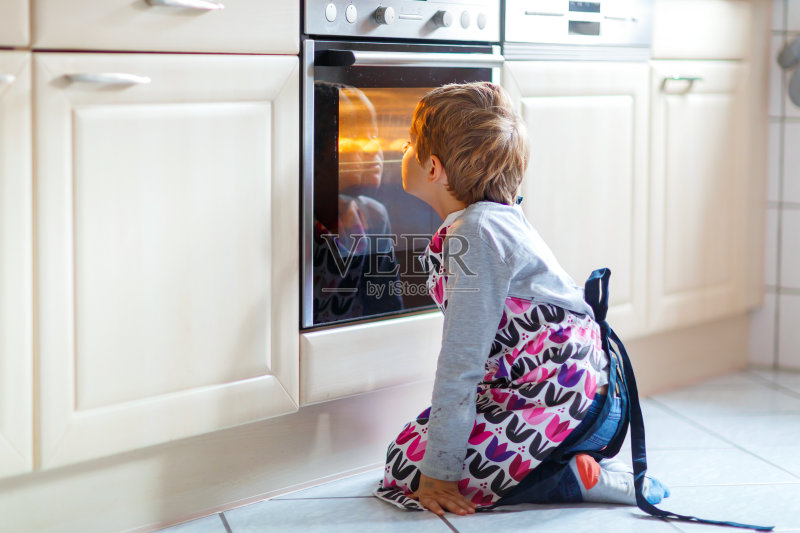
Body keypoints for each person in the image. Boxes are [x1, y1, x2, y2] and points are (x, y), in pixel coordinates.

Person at [373, 82, 670, 515]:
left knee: (407, 466)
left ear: (433, 167)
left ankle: (566, 480)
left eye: (407, 145)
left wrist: (438, 476)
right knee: (412, 443)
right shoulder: (496, 219)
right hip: (578, 395)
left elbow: (461, 363)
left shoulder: (474, 235)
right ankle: (562, 463)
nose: (402, 151)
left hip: (564, 403)